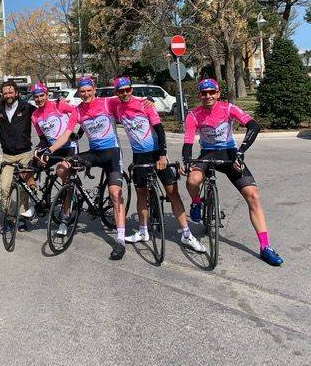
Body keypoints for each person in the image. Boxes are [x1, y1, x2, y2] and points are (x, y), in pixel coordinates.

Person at [181, 78, 283, 266]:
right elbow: (188, 142)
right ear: (200, 95)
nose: (208, 96)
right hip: (207, 153)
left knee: (253, 196)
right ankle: (196, 202)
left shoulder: (228, 108)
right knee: (192, 180)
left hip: (229, 153)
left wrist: (241, 152)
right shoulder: (193, 115)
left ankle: (265, 247)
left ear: (218, 93)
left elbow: (254, 126)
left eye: (212, 92)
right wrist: (187, 161)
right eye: (204, 93)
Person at [111, 77, 205, 253]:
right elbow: (95, 103)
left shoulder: (144, 104)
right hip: (139, 156)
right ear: (116, 92)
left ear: (131, 89)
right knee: (141, 194)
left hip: (156, 153)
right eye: (121, 91)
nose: (125, 93)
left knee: (172, 193)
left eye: (127, 90)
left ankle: (186, 234)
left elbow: (160, 131)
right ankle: (143, 231)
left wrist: (162, 155)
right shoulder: (115, 106)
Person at [44, 77, 127, 260]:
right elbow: (66, 134)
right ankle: (70, 202)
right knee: (62, 168)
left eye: (89, 90)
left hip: (112, 153)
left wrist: (146, 101)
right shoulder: (78, 110)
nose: (86, 94)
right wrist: (50, 150)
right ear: (79, 93)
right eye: (83, 91)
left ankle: (121, 240)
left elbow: (127, 100)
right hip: (94, 153)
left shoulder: (107, 103)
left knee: (115, 194)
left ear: (94, 90)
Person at [0, 80, 37, 231]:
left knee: (24, 189)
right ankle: (10, 218)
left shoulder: (27, 108)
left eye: (11, 92)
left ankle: (23, 218)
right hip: (8, 156)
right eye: (5, 93)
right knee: (5, 188)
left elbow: (43, 115)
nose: (8, 95)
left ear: (16, 92)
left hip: (24, 153)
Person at [29, 82, 78, 222]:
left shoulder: (59, 105)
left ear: (47, 94)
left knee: (63, 173)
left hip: (69, 147)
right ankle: (35, 203)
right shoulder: (35, 116)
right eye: (36, 96)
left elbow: (78, 112)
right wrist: (38, 150)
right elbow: (43, 140)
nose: (39, 99)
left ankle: (65, 214)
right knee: (28, 169)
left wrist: (74, 131)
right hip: (53, 149)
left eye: (42, 95)